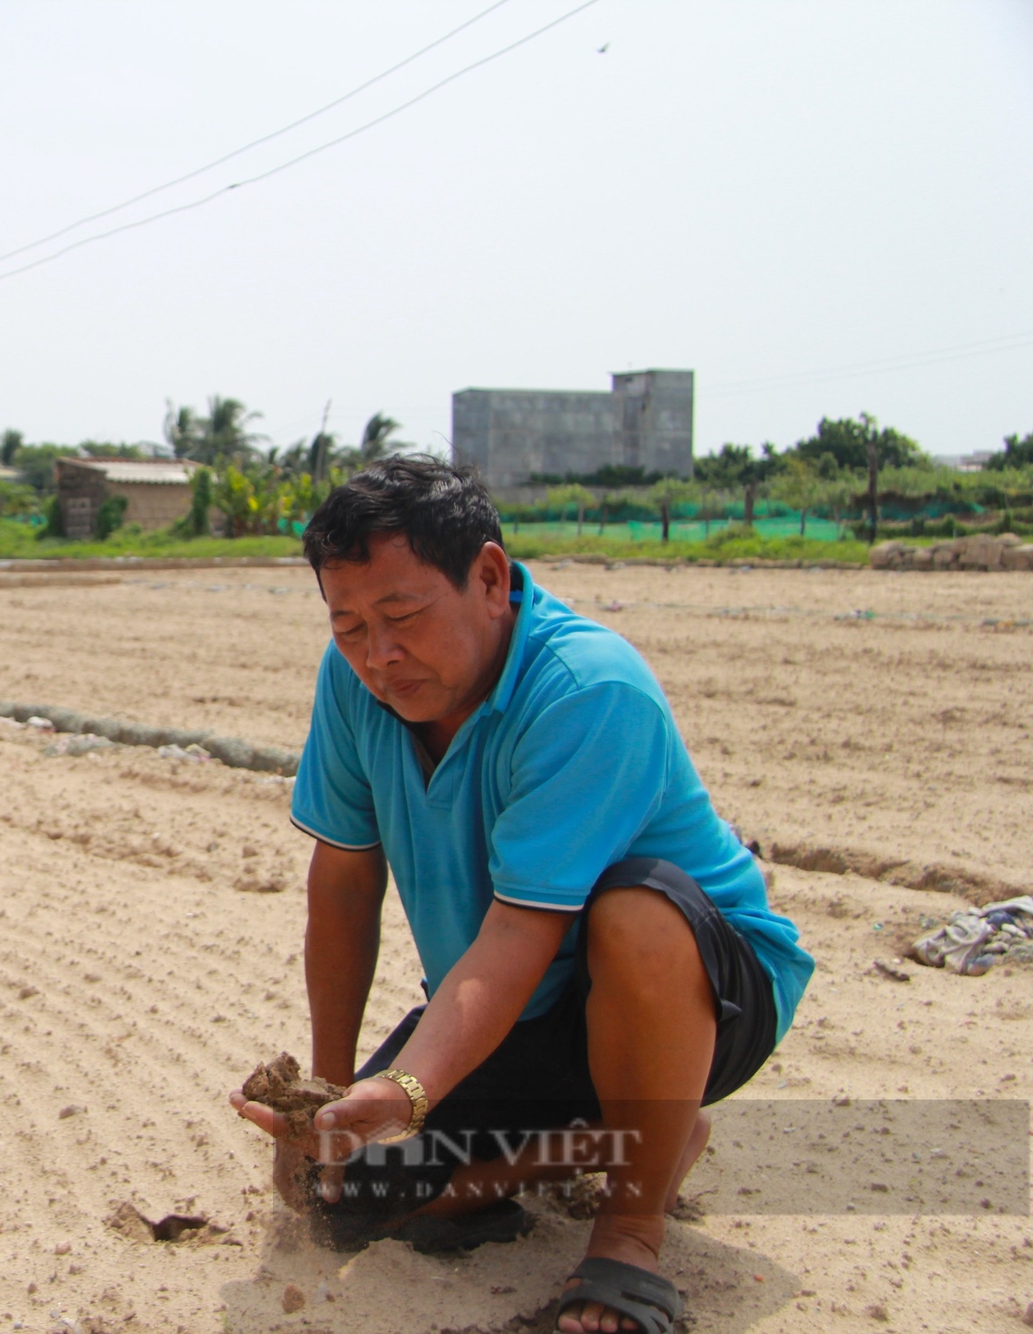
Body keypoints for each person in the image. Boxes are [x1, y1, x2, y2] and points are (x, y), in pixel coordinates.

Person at [230, 459, 813, 1334]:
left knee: (633, 908)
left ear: (492, 579)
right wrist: (333, 1100)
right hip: (525, 1008)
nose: (378, 655)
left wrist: (411, 1091)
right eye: (348, 625)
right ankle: (616, 1145)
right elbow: (345, 883)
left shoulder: (586, 690)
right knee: (355, 1198)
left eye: (401, 616)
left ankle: (630, 1230)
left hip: (699, 995)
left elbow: (518, 934)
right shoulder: (354, 684)